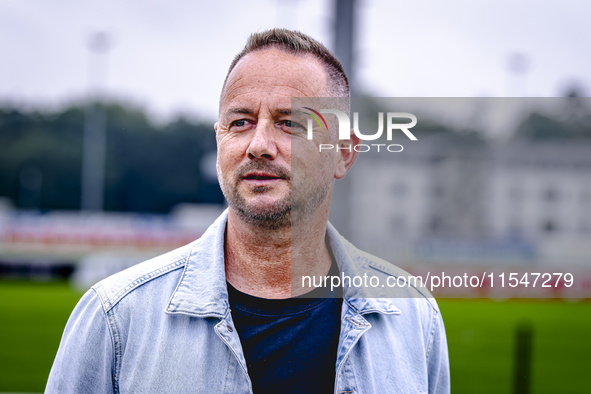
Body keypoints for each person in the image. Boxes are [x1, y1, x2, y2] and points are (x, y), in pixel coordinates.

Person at [46, 28, 450, 394]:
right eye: (240, 122)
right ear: (219, 139)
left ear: (343, 153)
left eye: (289, 123)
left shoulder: (414, 318)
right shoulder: (116, 319)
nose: (258, 144)